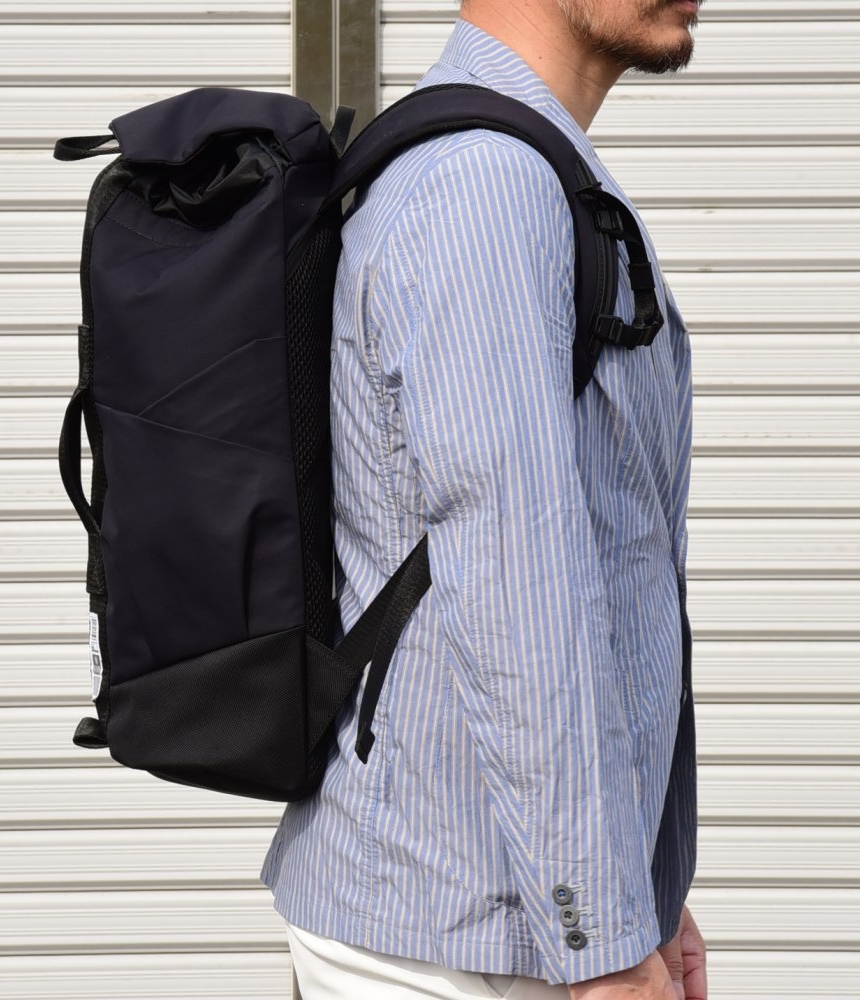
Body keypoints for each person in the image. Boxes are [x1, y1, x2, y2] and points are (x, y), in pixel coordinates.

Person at [262, 0, 707, 997]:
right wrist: (603, 940)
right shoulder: (483, 186)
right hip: (448, 936)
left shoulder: (534, 171)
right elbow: (518, 592)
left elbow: (606, 559)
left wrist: (647, 892)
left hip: (499, 918)